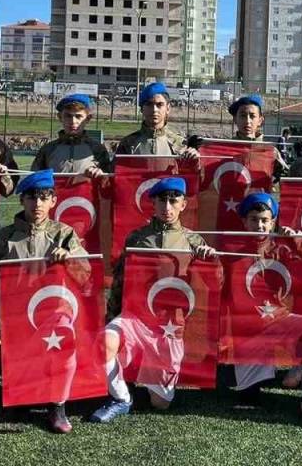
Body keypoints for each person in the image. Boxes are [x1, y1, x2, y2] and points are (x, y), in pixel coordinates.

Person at [88, 177, 216, 423]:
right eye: (161, 201)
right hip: (136, 318)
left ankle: (148, 381)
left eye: (173, 201)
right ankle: (121, 398)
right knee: (105, 340)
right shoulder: (136, 238)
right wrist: (112, 317)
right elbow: (120, 283)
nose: (167, 207)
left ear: (183, 205)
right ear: (153, 204)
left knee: (160, 404)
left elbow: (210, 290)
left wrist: (209, 262)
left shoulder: (195, 241)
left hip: (170, 325)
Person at [0, 169, 89, 434]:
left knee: (61, 343)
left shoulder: (65, 234)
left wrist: (70, 259)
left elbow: (87, 277)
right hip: (15, 318)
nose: (37, 204)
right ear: (21, 200)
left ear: (53, 200)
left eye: (43, 197)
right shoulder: (5, 237)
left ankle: (57, 405)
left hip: (55, 315)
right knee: (8, 368)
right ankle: (25, 392)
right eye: (31, 197)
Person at [227, 193, 302, 428]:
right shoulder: (230, 248)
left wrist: (299, 243)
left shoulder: (284, 246)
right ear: (244, 221)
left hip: (278, 321)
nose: (260, 225)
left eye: (265, 220)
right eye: (254, 219)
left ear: (273, 221)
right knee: (248, 399)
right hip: (247, 331)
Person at [113, 82, 200, 164]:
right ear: (141, 109)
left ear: (168, 108)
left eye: (159, 105)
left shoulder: (181, 144)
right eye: (149, 104)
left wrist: (196, 162)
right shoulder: (128, 145)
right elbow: (116, 176)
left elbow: (191, 175)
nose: (154, 110)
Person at [32, 93, 112, 178]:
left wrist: (102, 174)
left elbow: (109, 183)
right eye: (68, 116)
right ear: (60, 117)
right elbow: (34, 181)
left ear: (87, 119)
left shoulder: (98, 150)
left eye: (78, 116)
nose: (73, 121)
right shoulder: (48, 150)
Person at [220, 93, 288, 179]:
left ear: (260, 120)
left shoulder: (270, 152)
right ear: (235, 119)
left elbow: (286, 180)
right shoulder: (224, 150)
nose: (247, 121)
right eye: (243, 116)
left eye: (252, 116)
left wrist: (281, 171)